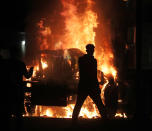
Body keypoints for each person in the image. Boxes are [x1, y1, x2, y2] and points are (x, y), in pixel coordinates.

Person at [72, 44, 107, 121]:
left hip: (83, 86)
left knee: (78, 105)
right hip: (91, 86)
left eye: (92, 50)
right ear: (89, 51)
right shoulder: (93, 61)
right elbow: (93, 75)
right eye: (92, 50)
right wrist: (97, 87)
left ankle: (73, 123)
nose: (92, 51)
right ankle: (106, 121)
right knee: (99, 104)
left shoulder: (81, 60)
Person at [8, 46, 33, 130]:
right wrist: (31, 70)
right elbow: (27, 76)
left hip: (8, 89)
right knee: (18, 112)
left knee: (8, 109)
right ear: (17, 54)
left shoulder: (7, 63)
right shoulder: (20, 64)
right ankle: (18, 127)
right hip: (18, 89)